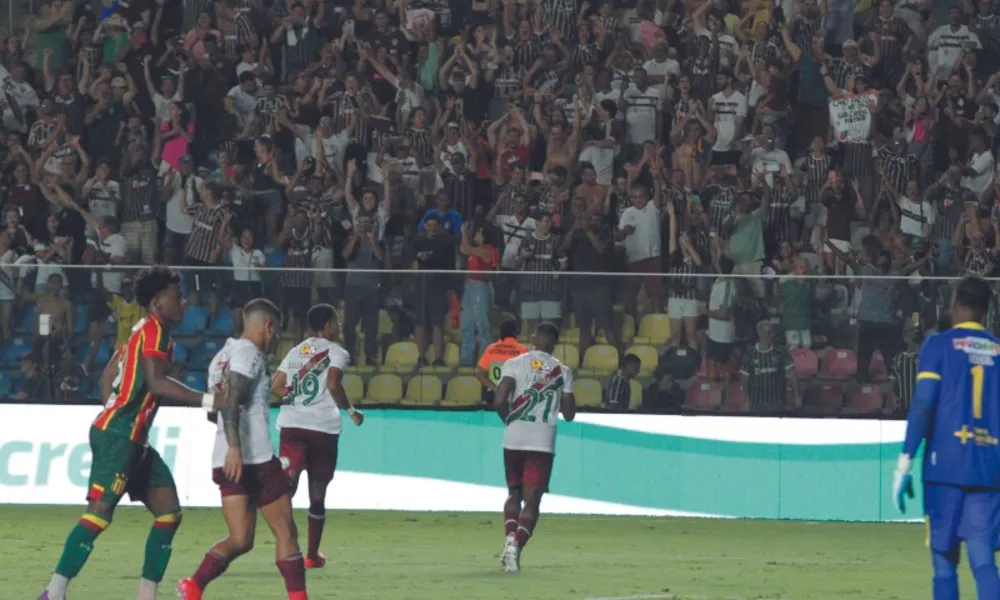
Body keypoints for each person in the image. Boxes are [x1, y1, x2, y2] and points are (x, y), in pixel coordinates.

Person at [39, 265, 226, 600]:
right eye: (176, 296)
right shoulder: (155, 332)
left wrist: (120, 410)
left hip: (129, 436)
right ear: (157, 303)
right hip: (120, 437)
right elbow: (156, 382)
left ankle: (145, 595)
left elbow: (105, 381)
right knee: (99, 514)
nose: (183, 301)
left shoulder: (139, 331)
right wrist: (210, 399)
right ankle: (54, 592)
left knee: (169, 511)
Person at [177, 299, 308, 600]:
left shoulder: (219, 357)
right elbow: (233, 397)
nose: (275, 340)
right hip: (254, 457)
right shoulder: (250, 353)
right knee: (286, 532)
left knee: (240, 538)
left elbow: (215, 409)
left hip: (223, 459)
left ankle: (193, 586)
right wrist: (237, 446)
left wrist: (229, 442)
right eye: (276, 333)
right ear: (268, 326)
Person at [893, 276, 1000, 600]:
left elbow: (924, 403)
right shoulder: (998, 351)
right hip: (988, 469)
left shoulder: (938, 345)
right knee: (983, 562)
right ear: (986, 311)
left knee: (944, 562)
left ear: (954, 304)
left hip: (945, 467)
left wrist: (904, 461)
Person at [272, 303, 364, 569]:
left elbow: (276, 386)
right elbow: (333, 384)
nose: (338, 325)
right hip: (323, 428)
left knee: (287, 488)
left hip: (292, 425)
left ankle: (285, 549)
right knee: (317, 492)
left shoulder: (296, 351)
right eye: (335, 321)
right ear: (328, 325)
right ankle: (311, 556)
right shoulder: (338, 353)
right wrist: (351, 411)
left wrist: (298, 400)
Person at [494, 322, 576, 574]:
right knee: (533, 497)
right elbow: (570, 413)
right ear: (554, 342)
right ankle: (516, 546)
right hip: (542, 439)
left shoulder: (514, 363)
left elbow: (499, 399)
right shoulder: (563, 371)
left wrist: (510, 420)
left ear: (534, 338)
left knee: (514, 491)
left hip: (514, 435)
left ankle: (509, 536)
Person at [476, 318, 528, 398]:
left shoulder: (491, 348)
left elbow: (480, 373)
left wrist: (495, 388)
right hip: (514, 394)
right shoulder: (522, 350)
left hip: (494, 394)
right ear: (516, 332)